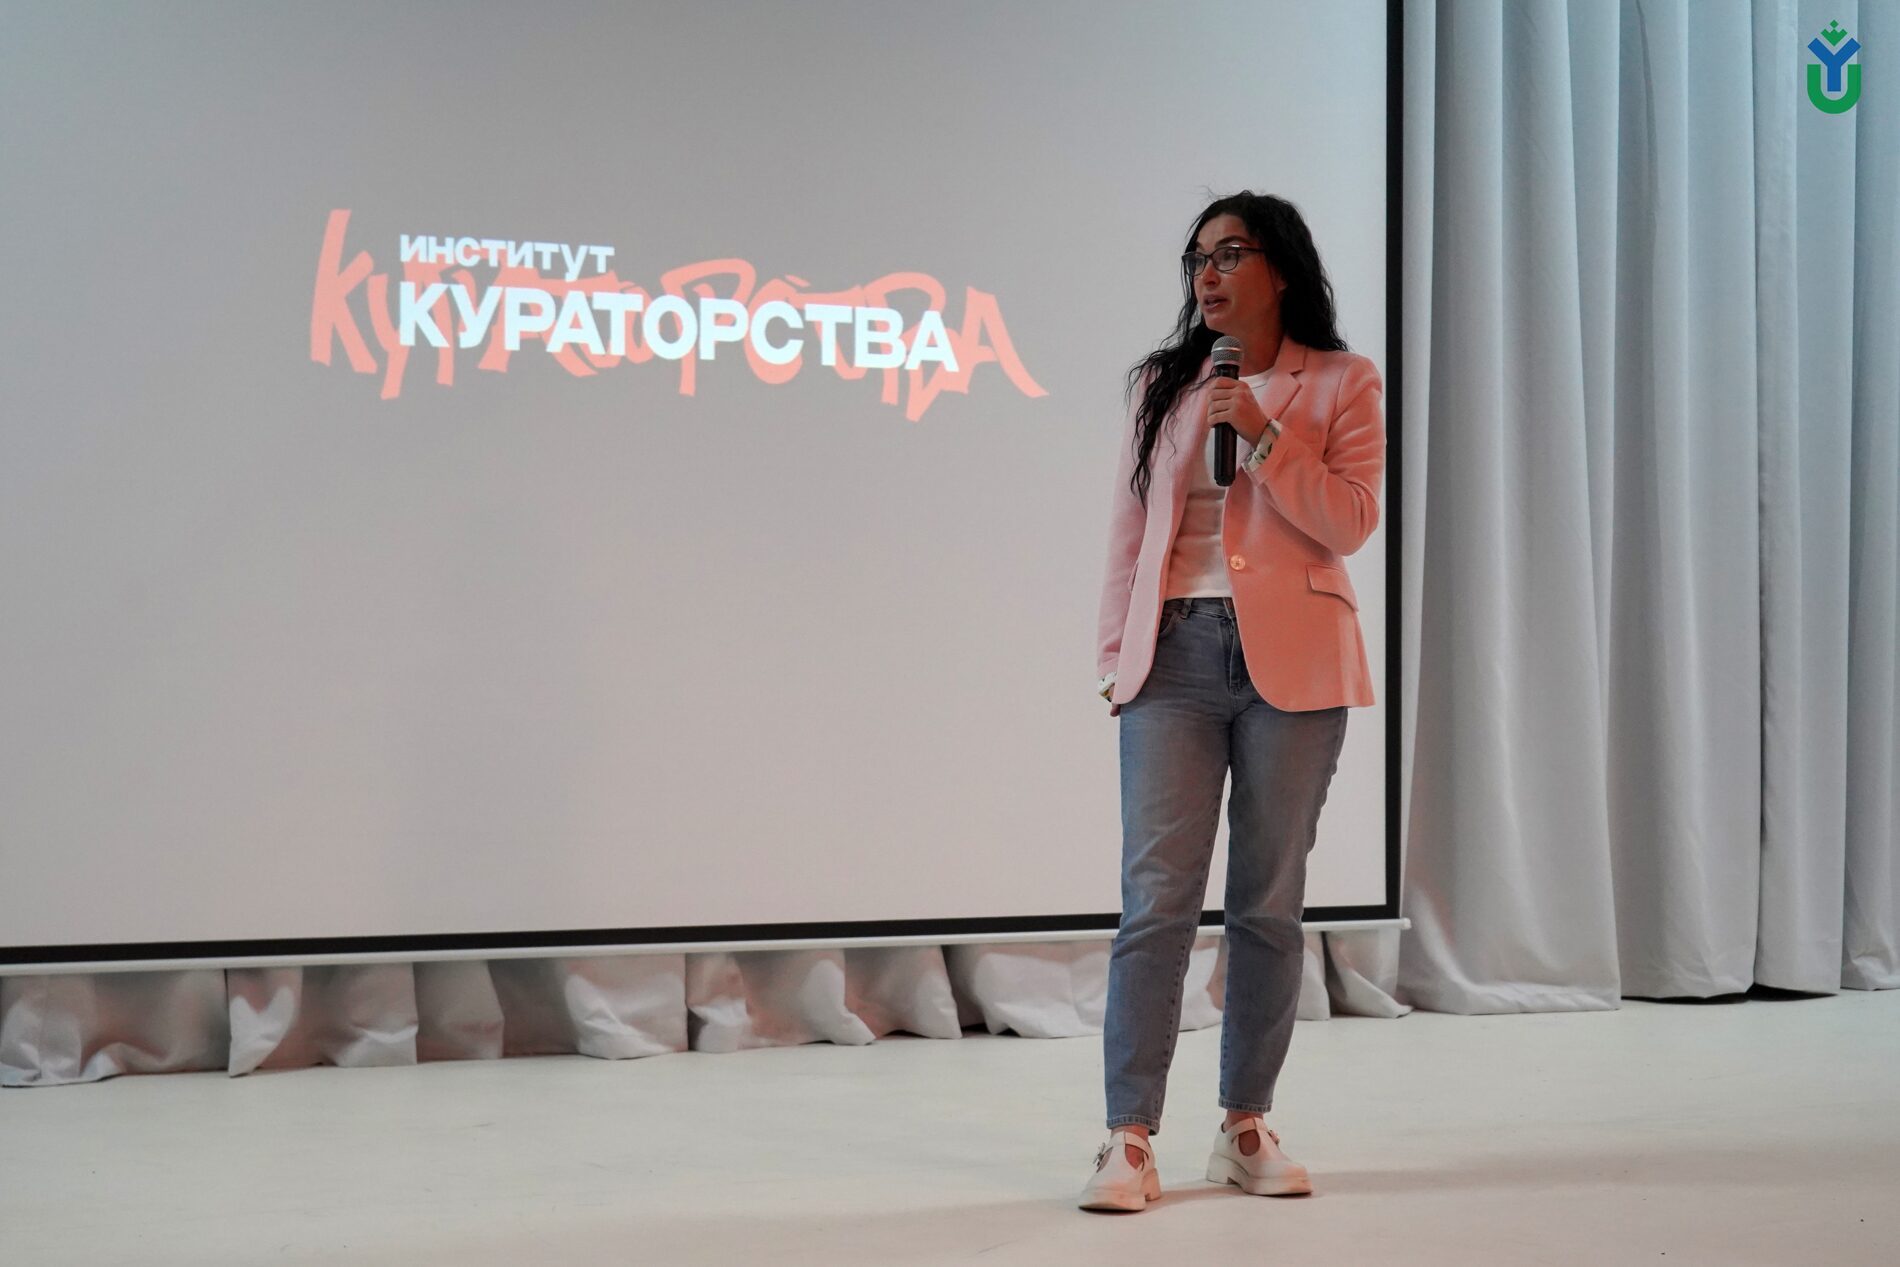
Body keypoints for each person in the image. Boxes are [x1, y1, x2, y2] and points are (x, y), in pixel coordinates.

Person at [1079, 191, 1383, 1211]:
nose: (1207, 275)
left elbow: (1349, 521)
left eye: (1229, 254)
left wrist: (1261, 432)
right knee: (1155, 902)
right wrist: (1114, 657)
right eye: (1197, 259)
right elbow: (1131, 530)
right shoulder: (1165, 384)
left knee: (1265, 904)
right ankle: (1127, 1137)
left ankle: (1244, 1124)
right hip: (1170, 657)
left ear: (1279, 269)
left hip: (1293, 665)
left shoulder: (1341, 380)